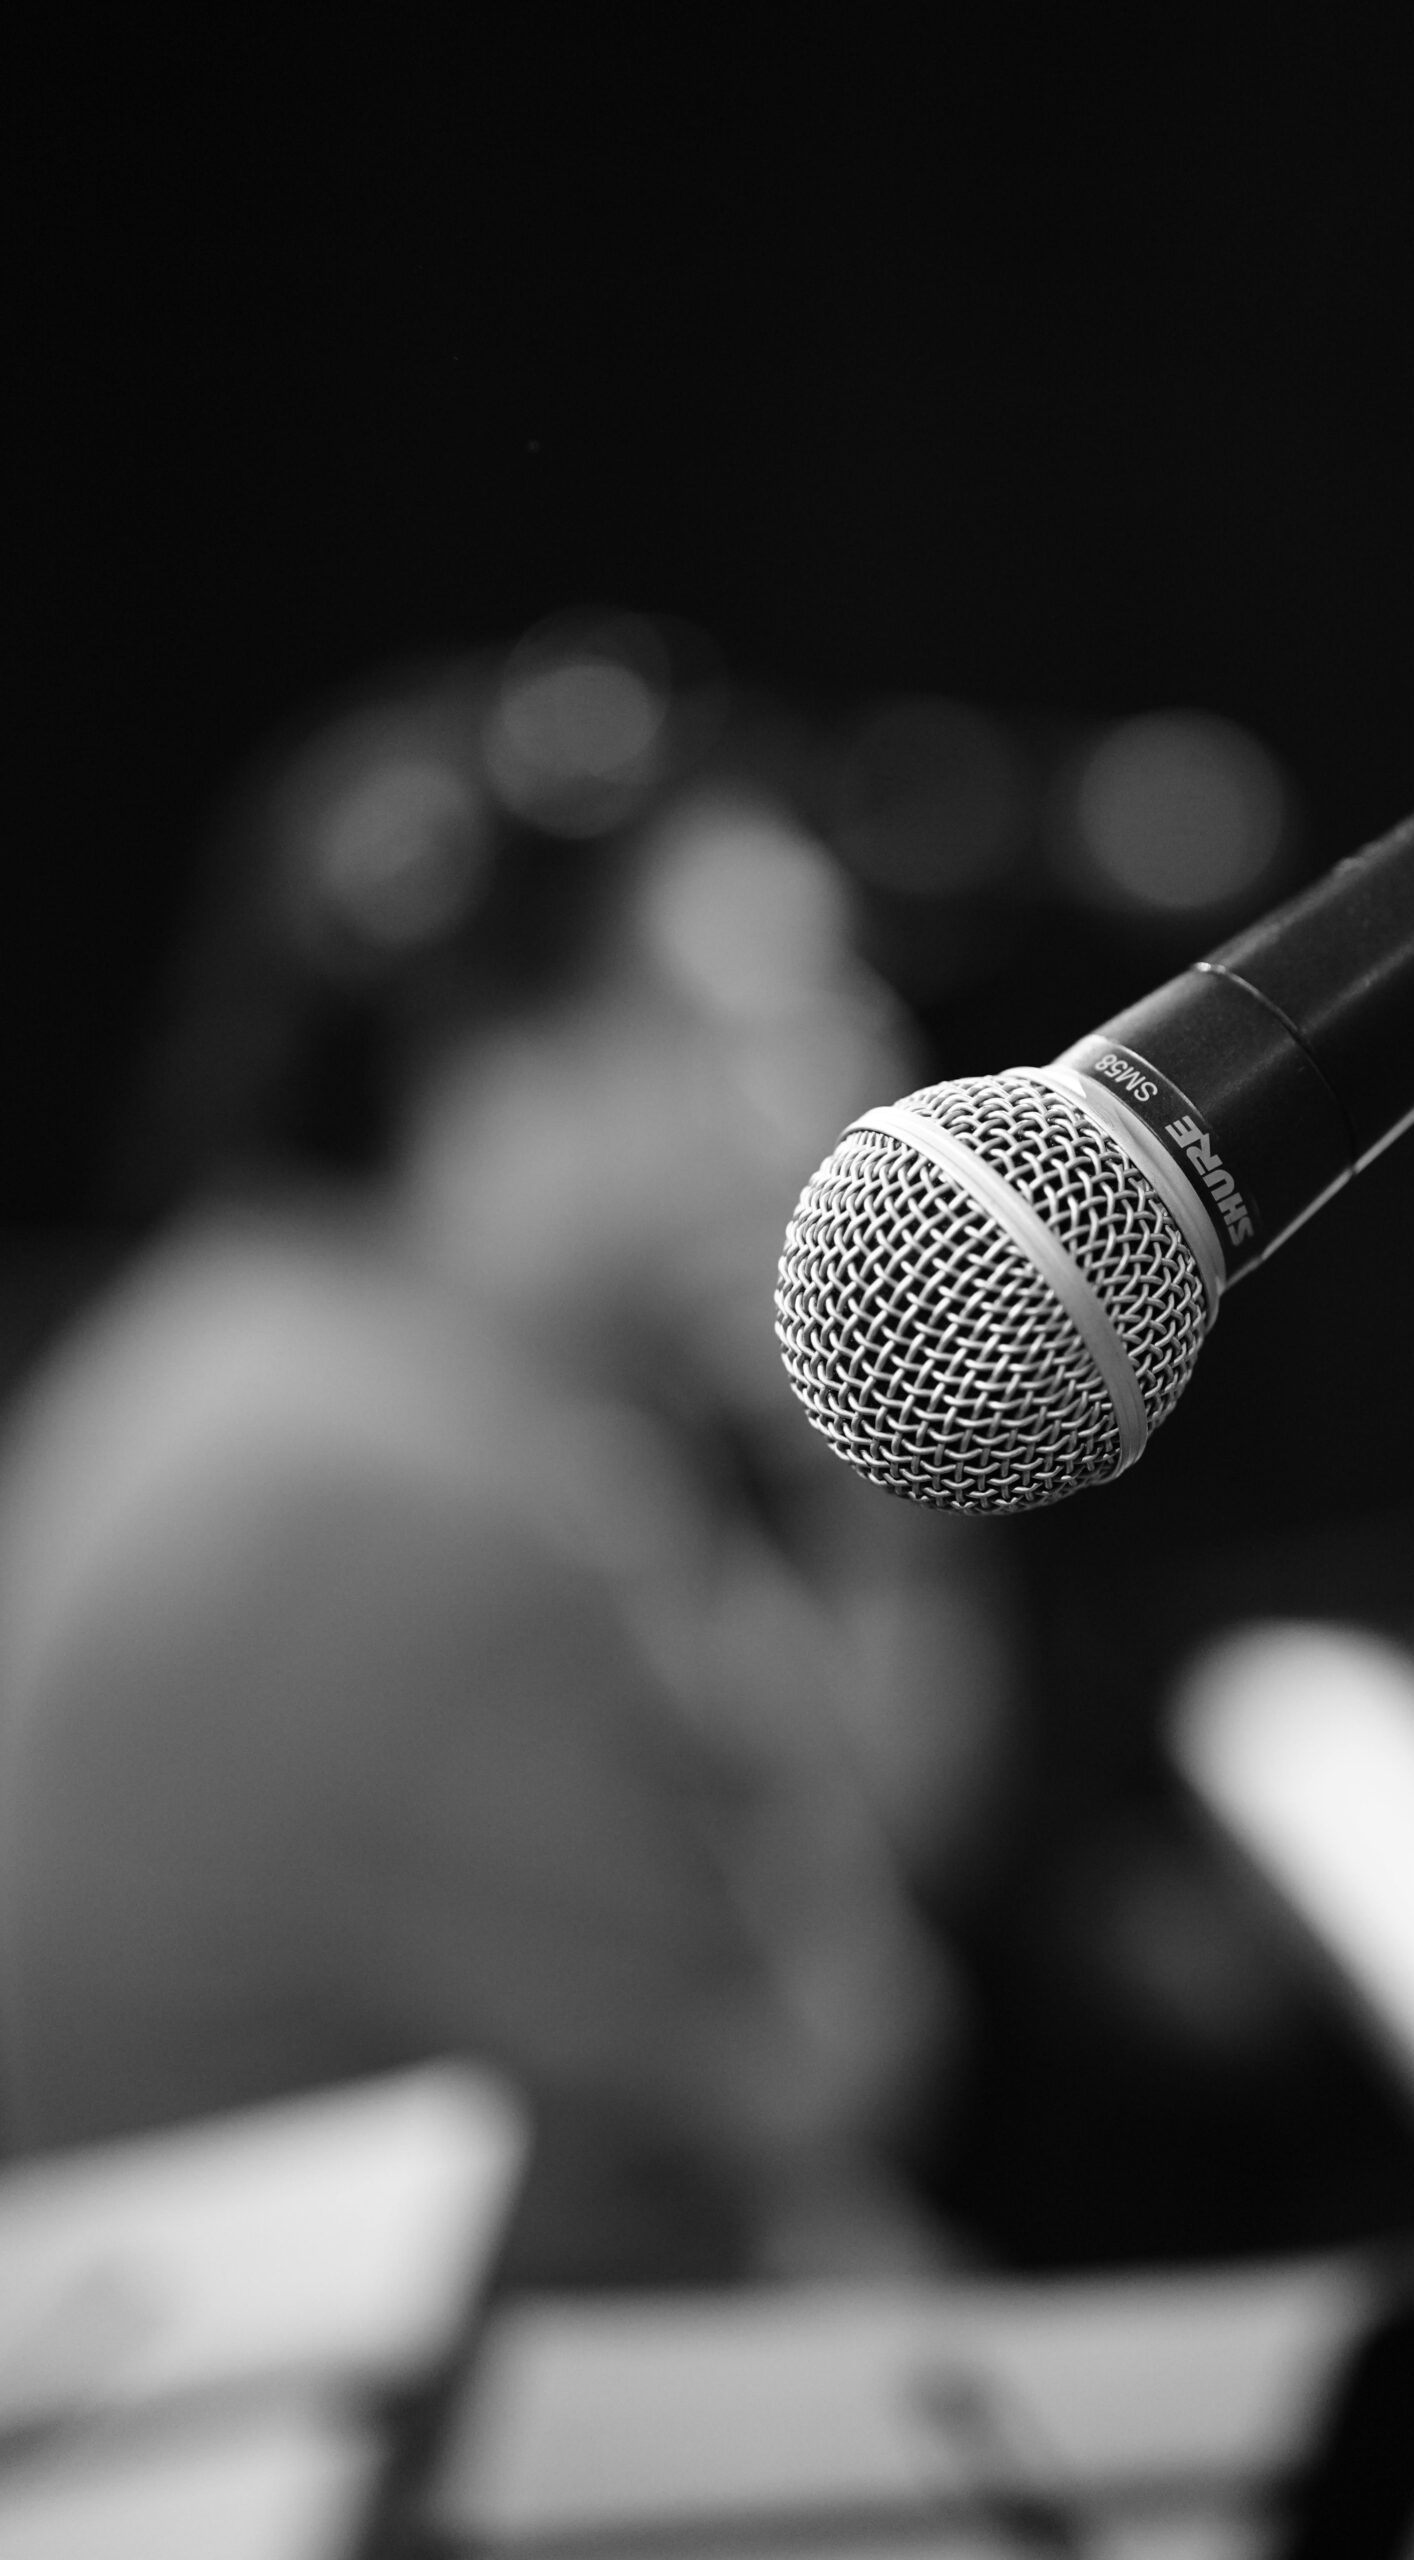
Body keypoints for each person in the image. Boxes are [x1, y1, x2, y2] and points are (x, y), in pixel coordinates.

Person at [0, 615, 1005, 2286]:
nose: (861, 1099)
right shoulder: (429, 1505)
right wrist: (894, 1463)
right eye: (771, 1029)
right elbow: (833, 2076)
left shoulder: (253, 1339)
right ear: (502, 1071)